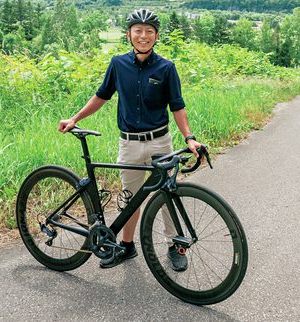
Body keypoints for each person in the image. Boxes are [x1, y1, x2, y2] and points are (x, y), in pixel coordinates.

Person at [58, 8, 201, 270]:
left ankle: (175, 245)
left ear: (156, 37)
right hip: (129, 143)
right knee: (129, 197)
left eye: (149, 31)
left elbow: (177, 107)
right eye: (138, 31)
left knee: (168, 193)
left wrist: (189, 138)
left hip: (160, 142)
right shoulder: (117, 64)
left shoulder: (167, 68)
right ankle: (127, 246)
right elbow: (101, 96)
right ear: (129, 34)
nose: (143, 36)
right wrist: (75, 119)